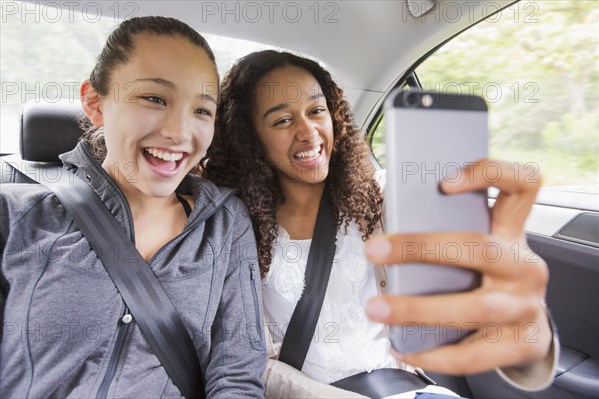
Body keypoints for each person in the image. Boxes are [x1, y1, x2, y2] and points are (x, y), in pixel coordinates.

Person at [203, 50, 557, 398]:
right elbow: (246, 363)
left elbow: (476, 301)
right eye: (282, 120)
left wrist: (522, 327)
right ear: (250, 138)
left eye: (316, 111)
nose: (308, 131)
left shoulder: (384, 199)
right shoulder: (235, 228)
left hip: (407, 389)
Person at [0, 17, 265, 398]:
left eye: (202, 111)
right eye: (155, 99)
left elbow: (238, 375)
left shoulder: (225, 225)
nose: (179, 132)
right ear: (94, 103)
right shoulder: (17, 216)